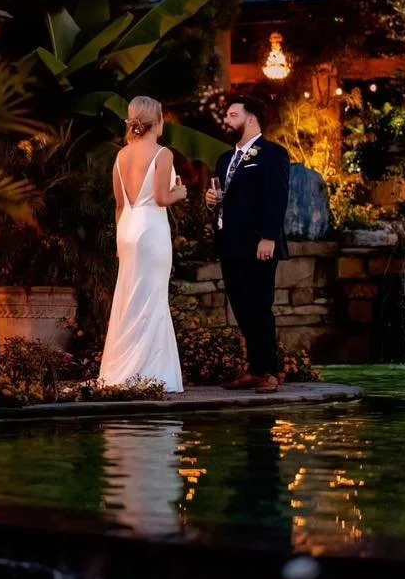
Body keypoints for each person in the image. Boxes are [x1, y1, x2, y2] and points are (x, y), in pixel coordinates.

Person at [99, 96, 187, 393]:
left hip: (127, 228)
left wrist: (119, 239)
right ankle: (149, 372)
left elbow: (120, 204)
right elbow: (162, 198)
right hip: (151, 230)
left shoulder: (121, 156)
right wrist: (181, 192)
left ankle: (121, 369)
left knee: (128, 298)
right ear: (157, 121)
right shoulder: (163, 154)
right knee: (151, 298)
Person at [205, 95, 290, 393]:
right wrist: (211, 201)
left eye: (232, 115)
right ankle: (254, 369)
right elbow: (225, 200)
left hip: (258, 244)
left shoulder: (272, 154)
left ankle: (269, 372)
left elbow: (277, 198)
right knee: (241, 306)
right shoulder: (225, 159)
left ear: (251, 118)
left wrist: (269, 237)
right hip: (230, 243)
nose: (227, 121)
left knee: (259, 306)